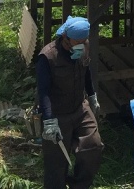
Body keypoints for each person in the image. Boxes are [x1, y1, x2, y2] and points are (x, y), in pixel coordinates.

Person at [36, 16, 103, 189]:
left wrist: (92, 95)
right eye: (77, 41)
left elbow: (86, 71)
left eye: (84, 40)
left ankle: (79, 185)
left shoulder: (84, 47)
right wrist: (49, 120)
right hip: (57, 114)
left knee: (93, 147)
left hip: (80, 108)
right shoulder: (48, 56)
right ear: (65, 37)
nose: (81, 44)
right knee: (56, 163)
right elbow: (43, 92)